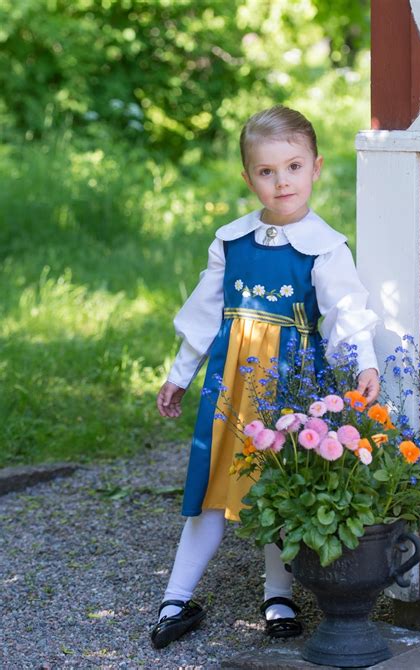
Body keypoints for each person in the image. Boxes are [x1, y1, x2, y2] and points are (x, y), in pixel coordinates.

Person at [150, 105, 380, 649]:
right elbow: (205, 315)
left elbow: (346, 313)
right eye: (267, 171)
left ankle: (277, 596)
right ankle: (174, 599)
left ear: (317, 167)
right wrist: (180, 374)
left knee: (278, 487)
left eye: (294, 167)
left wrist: (365, 363)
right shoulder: (230, 242)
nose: (282, 183)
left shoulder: (325, 248)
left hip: (291, 388)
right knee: (210, 486)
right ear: (248, 176)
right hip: (230, 389)